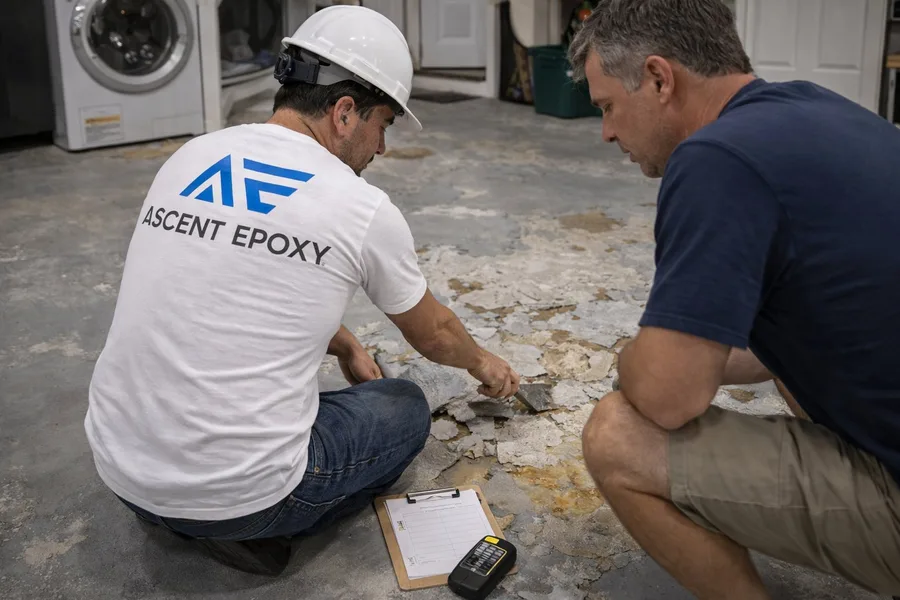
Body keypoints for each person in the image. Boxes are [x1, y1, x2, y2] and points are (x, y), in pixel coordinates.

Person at [83, 5, 519, 576]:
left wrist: (342, 344)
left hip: (119, 470)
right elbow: (434, 333)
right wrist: (484, 363)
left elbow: (235, 274)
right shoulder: (357, 206)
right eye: (382, 124)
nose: (381, 148)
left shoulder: (193, 156)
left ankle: (184, 512)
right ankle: (252, 522)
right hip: (243, 500)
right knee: (404, 407)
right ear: (344, 112)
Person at [569, 1, 900, 598]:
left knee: (616, 435)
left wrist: (632, 357)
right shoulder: (821, 110)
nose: (607, 133)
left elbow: (670, 398)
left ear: (659, 78)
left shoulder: (715, 158)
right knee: (785, 352)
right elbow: (808, 329)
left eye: (609, 107)